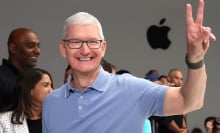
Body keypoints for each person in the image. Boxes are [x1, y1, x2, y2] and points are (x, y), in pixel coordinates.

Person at [42, 0, 216, 132]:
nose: (85, 50)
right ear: (63, 49)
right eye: (75, 42)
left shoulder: (132, 89)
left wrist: (196, 57)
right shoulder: (51, 102)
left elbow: (190, 101)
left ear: (103, 48)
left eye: (92, 42)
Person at [0, 68, 53, 133]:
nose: (51, 91)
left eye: (51, 86)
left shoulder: (56, 119)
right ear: (29, 89)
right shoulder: (4, 121)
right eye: (46, 85)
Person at [0, 28, 40, 111]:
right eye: (31, 46)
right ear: (13, 48)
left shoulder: (35, 79)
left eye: (38, 46)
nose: (37, 51)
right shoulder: (2, 79)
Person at [158, 68, 189, 133]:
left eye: (181, 79)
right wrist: (179, 131)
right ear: (169, 78)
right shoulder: (166, 94)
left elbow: (182, 117)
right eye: (176, 78)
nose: (179, 81)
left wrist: (185, 129)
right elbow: (169, 121)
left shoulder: (179, 96)